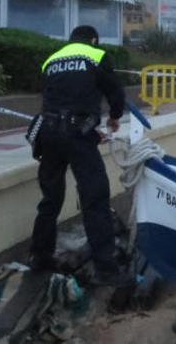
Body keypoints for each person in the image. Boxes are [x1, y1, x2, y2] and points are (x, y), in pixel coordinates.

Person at [29, 25, 127, 286]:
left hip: (47, 133)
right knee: (94, 197)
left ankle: (39, 257)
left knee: (50, 199)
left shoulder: (52, 60)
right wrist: (115, 117)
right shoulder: (96, 56)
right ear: (93, 39)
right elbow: (115, 92)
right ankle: (107, 268)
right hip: (77, 135)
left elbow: (53, 96)